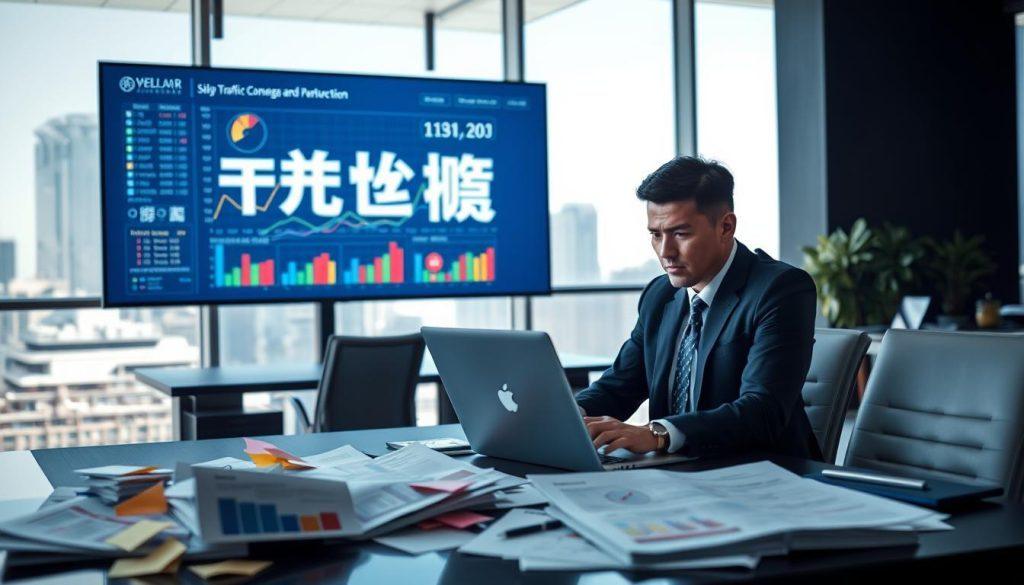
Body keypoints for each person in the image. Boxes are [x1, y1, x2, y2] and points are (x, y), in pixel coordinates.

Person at [575, 156, 822, 460]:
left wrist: (658, 434)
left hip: (761, 474)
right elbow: (619, 386)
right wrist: (568, 413)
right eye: (656, 234)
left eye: (680, 233)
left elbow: (762, 411)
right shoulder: (659, 295)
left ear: (726, 226)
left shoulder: (780, 289)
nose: (665, 252)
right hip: (676, 475)